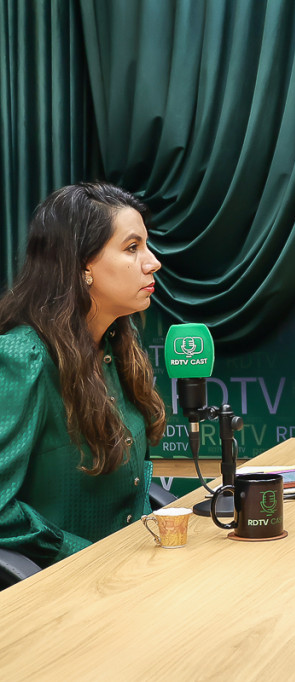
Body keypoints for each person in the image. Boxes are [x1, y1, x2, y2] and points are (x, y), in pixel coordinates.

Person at [0, 182, 166, 568]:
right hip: (63, 587)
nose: (152, 262)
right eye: (132, 247)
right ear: (82, 265)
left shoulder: (119, 344)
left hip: (135, 568)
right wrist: (81, 554)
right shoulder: (21, 358)